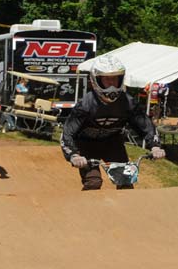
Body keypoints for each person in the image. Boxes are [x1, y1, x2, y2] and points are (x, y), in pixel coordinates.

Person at [60, 56, 165, 190]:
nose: (111, 84)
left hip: (113, 144)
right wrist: (73, 155)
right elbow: (67, 133)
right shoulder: (85, 104)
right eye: (107, 79)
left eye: (115, 79)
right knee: (93, 182)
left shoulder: (128, 102)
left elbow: (145, 125)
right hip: (87, 145)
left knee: (125, 181)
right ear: (96, 80)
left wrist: (155, 146)